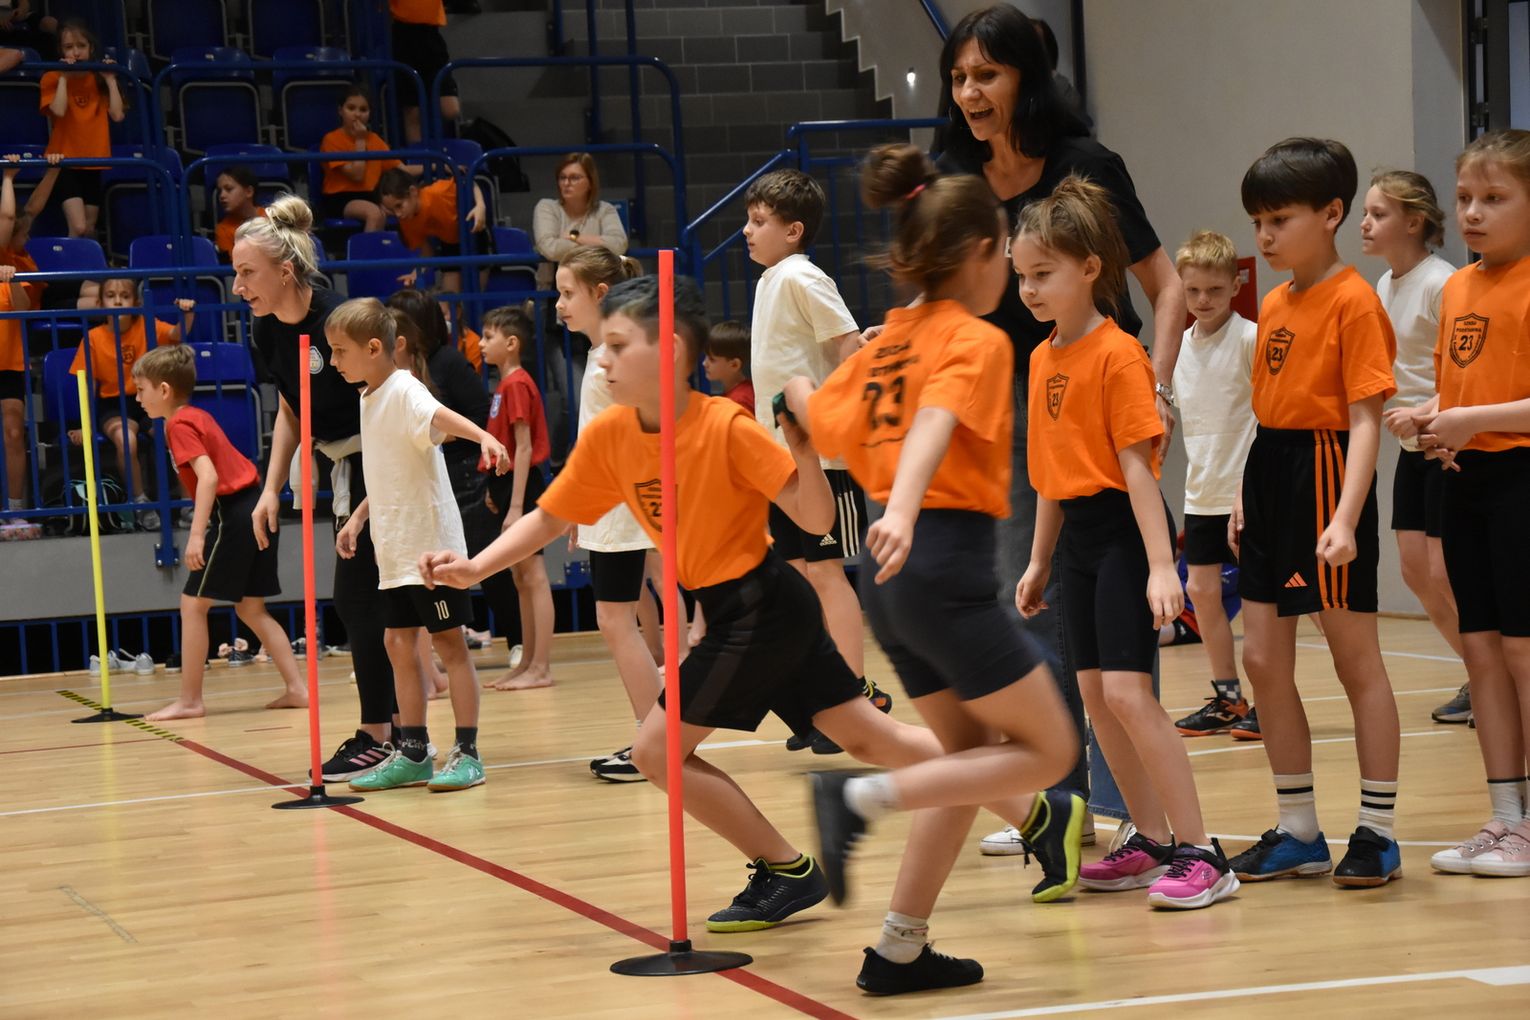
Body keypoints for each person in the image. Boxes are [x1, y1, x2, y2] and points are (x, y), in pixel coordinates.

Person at [419, 275, 951, 936]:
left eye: (618, 346)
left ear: (668, 351)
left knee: (654, 752)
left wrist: (805, 452)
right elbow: (551, 518)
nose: (602, 362)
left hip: (759, 607)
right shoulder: (612, 437)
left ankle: (786, 869)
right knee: (872, 738)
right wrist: (475, 567)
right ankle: (1033, 800)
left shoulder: (724, 425)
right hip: (740, 611)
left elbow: (814, 519)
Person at [794, 143, 1082, 994]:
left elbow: (817, 419)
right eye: (1005, 257)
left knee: (966, 756)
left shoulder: (883, 345)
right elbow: (935, 421)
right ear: (979, 253)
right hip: (939, 561)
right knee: (1050, 750)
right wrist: (910, 506)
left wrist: (791, 399)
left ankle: (899, 949)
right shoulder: (975, 339)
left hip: (887, 580)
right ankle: (857, 799)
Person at [935, 5, 1186, 844]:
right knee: (1032, 601)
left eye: (987, 74)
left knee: (1116, 608)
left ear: (1026, 79)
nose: (970, 92)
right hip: (1004, 402)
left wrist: (1159, 385)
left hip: (1097, 392)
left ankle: (1132, 815)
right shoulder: (956, 174)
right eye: (959, 77)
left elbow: (1166, 285)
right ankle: (1061, 807)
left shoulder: (1087, 166)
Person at [1012, 175, 1236, 908]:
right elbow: (1049, 475)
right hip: (1077, 540)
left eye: (1043, 274)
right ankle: (1150, 841)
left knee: (1129, 695)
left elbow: (1139, 471)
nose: (1029, 290)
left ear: (1088, 269)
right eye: (1022, 276)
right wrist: (1039, 559)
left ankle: (1203, 852)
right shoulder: (1042, 358)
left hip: (1123, 535)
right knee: (1094, 696)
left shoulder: (1118, 356)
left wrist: (1161, 567)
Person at [1226, 138, 1402, 887]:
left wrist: (1344, 517)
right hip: (1270, 472)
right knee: (1262, 659)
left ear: (1331, 214)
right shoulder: (1273, 302)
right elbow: (1267, 410)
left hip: (1325, 473)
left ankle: (1379, 832)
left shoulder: (1354, 300)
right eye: (1257, 223)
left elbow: (1365, 421)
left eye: (1279, 220)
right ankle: (1298, 829)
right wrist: (1245, 493)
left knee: (1355, 659)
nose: (1264, 237)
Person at [235, 195, 401, 782]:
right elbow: (291, 407)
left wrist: (379, 485)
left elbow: (391, 396)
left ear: (285, 272)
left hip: (383, 460)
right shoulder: (265, 331)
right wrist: (271, 486)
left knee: (364, 599)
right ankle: (398, 729)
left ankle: (382, 734)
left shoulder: (339, 318)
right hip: (339, 466)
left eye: (247, 272)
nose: (238, 287)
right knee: (365, 600)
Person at [326, 298, 508, 792]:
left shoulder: (405, 389)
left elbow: (442, 416)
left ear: (374, 348)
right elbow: (389, 471)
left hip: (430, 548)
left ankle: (467, 753)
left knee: (448, 643)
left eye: (340, 351)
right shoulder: (369, 397)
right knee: (398, 642)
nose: (334, 361)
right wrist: (358, 518)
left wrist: (484, 437)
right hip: (394, 547)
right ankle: (412, 752)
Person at [1411, 130, 1530, 876]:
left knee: (1523, 651)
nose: (1473, 213)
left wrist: (1472, 418)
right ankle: (1507, 817)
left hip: (1522, 480)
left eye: (1494, 198)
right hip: (1465, 479)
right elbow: (1460, 385)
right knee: (1481, 648)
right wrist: (1429, 418)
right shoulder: (1456, 287)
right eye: (1464, 198)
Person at [744, 168, 891, 755]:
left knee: (826, 573)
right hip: (780, 459)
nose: (747, 230)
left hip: (821, 459)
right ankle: (828, 697)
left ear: (793, 230)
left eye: (759, 221)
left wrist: (866, 348)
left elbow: (845, 348)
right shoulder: (771, 280)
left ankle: (853, 696)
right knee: (801, 576)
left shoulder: (803, 276)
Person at [131, 345, 307, 721]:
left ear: (164, 390)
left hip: (234, 515)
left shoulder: (178, 424)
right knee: (251, 608)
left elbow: (208, 477)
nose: (137, 398)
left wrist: (196, 535)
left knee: (192, 605)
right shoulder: (196, 415)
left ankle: (190, 700)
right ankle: (297, 689)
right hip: (256, 506)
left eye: (141, 389)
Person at [1361, 170, 1469, 726]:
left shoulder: (1442, 282)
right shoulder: (1384, 284)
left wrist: (1427, 411)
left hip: (1449, 445)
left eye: (1378, 214)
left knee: (1447, 573)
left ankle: (1499, 677)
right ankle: (1480, 675)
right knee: (1415, 573)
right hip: (1412, 449)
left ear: (1414, 221)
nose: (1364, 223)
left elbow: (1471, 374)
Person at [554, 246, 660, 780]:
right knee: (619, 620)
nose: (558, 304)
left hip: (622, 508)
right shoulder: (601, 356)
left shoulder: (609, 362)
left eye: (567, 293)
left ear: (600, 294)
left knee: (616, 620)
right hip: (610, 508)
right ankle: (657, 737)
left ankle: (655, 741)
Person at [1165, 230, 1261, 739]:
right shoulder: (1178, 347)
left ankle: (1273, 700)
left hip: (1247, 491)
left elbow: (1269, 416)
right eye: (1193, 290)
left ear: (1235, 285)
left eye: (1215, 290)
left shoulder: (1250, 338)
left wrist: (1250, 484)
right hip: (1201, 492)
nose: (1203, 300)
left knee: (1276, 603)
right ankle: (1229, 698)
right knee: (1201, 592)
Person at [69, 278, 193, 528]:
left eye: (124, 296)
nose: (118, 302)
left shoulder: (148, 325)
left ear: (136, 302)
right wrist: (85, 424)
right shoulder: (92, 338)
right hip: (113, 405)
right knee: (126, 440)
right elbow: (87, 386)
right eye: (111, 296)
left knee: (175, 435)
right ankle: (140, 503)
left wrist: (187, 313)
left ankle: (188, 503)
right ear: (99, 303)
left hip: (149, 401)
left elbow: (177, 334)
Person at [477, 303, 555, 691]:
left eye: (488, 336)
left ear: (511, 343)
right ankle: (526, 662)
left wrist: (516, 506)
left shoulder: (517, 384)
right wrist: (496, 490)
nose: (480, 343)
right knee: (520, 577)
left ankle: (541, 666)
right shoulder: (504, 384)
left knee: (534, 575)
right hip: (508, 486)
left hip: (524, 489)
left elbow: (523, 447)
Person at [38, 19, 122, 239]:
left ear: (91, 48)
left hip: (94, 160)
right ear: (61, 50)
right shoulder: (51, 77)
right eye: (69, 47)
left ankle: (82, 264)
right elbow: (58, 111)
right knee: (78, 227)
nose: (75, 52)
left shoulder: (100, 77)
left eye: (81, 46)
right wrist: (64, 78)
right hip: (64, 160)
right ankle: (69, 263)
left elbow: (117, 115)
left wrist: (111, 80)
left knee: (90, 229)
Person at [377, 167, 487, 294]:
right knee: (450, 300)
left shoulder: (439, 192)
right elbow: (427, 253)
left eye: (399, 205)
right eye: (392, 210)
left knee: (475, 295)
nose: (398, 214)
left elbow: (469, 182)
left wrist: (480, 205)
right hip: (449, 244)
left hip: (475, 235)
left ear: (413, 191)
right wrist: (415, 273)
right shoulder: (406, 221)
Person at [319, 87, 409, 233]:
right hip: (340, 198)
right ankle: (368, 248)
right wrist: (360, 141)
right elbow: (357, 174)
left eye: (363, 110)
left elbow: (402, 169)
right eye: (351, 108)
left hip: (370, 196)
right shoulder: (331, 139)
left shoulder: (375, 140)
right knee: (374, 213)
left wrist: (439, 165)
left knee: (403, 207)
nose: (357, 114)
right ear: (341, 111)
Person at [532, 153, 630, 288]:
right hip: (554, 291)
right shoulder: (546, 207)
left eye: (574, 178)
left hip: (597, 288)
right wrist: (597, 245)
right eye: (562, 177)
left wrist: (574, 237)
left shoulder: (605, 209)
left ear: (590, 182)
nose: (566, 183)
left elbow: (619, 245)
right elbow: (550, 248)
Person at [389, 0, 458, 144]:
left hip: (432, 36)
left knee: (450, 110)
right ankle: (419, 155)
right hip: (404, 37)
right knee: (413, 113)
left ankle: (438, 147)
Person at [0, 262, 34, 539]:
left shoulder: (8, 272)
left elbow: (25, 310)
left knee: (13, 433)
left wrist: (11, 281)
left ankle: (15, 508)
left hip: (9, 368)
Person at [213, 166, 266, 257]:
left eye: (228, 189)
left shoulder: (273, 217)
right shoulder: (223, 230)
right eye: (219, 191)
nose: (222, 196)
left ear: (249, 192)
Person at [704, 319, 754, 414]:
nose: (705, 363)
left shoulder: (740, 401)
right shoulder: (738, 393)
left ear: (734, 365)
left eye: (712, 359)